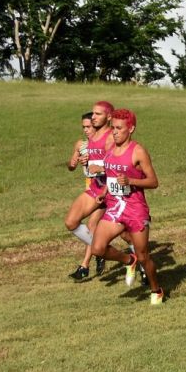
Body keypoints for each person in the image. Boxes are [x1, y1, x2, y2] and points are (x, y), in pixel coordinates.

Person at [87, 108, 164, 304]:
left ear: (131, 129)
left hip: (135, 209)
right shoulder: (111, 151)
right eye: (113, 128)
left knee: (144, 256)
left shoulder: (138, 151)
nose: (114, 132)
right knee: (97, 248)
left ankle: (156, 290)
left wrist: (130, 180)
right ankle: (129, 261)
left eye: (119, 128)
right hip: (114, 207)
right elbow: (112, 177)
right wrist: (104, 192)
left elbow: (153, 181)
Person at [64, 101, 124, 279]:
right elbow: (87, 164)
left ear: (108, 117)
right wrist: (82, 162)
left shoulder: (111, 138)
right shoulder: (88, 141)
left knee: (128, 235)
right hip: (95, 188)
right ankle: (102, 253)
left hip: (112, 190)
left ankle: (136, 263)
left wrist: (99, 167)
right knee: (71, 222)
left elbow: (119, 164)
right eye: (92, 116)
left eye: (97, 115)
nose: (92, 119)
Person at [66, 112, 106, 279]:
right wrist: (73, 163)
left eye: (88, 126)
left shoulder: (105, 143)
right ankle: (97, 256)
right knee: (91, 227)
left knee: (92, 225)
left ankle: (86, 264)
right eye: (83, 127)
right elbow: (71, 165)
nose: (86, 130)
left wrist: (95, 162)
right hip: (90, 188)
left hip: (104, 188)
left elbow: (113, 162)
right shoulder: (81, 144)